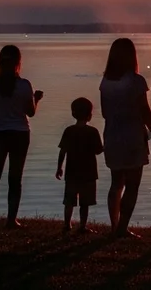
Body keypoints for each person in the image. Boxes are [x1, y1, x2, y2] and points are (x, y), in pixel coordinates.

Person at [99, 38, 151, 238]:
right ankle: (122, 228)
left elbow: (104, 112)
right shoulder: (136, 81)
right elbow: (145, 110)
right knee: (132, 185)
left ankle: (114, 226)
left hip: (112, 135)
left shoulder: (105, 82)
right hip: (133, 136)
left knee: (116, 183)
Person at [0, 45, 43, 227]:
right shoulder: (24, 85)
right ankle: (11, 219)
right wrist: (36, 99)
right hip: (19, 134)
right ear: (18, 63)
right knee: (15, 179)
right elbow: (30, 112)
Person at [57, 97, 103, 234]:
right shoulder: (93, 132)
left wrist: (59, 167)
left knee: (69, 201)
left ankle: (67, 224)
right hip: (89, 173)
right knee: (85, 202)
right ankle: (82, 226)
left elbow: (63, 151)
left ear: (73, 114)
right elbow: (98, 151)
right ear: (89, 115)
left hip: (71, 172)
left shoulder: (69, 130)